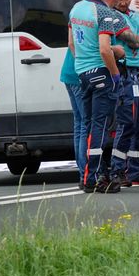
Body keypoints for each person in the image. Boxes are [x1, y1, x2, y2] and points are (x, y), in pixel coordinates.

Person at [68, 0, 132, 193]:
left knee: (87, 124)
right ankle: (93, 178)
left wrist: (83, 63)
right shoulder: (103, 12)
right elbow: (105, 49)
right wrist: (114, 76)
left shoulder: (76, 9)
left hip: (82, 72)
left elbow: (72, 44)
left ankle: (87, 172)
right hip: (101, 73)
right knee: (100, 126)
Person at [110, 0, 139, 185]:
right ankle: (117, 169)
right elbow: (135, 40)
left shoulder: (137, 16)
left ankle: (135, 170)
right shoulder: (113, 17)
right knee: (127, 123)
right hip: (128, 74)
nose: (125, 2)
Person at [59, 48, 87, 182]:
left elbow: (71, 43)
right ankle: (85, 172)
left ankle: (82, 172)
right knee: (85, 123)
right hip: (79, 75)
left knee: (79, 122)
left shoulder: (74, 26)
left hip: (69, 72)